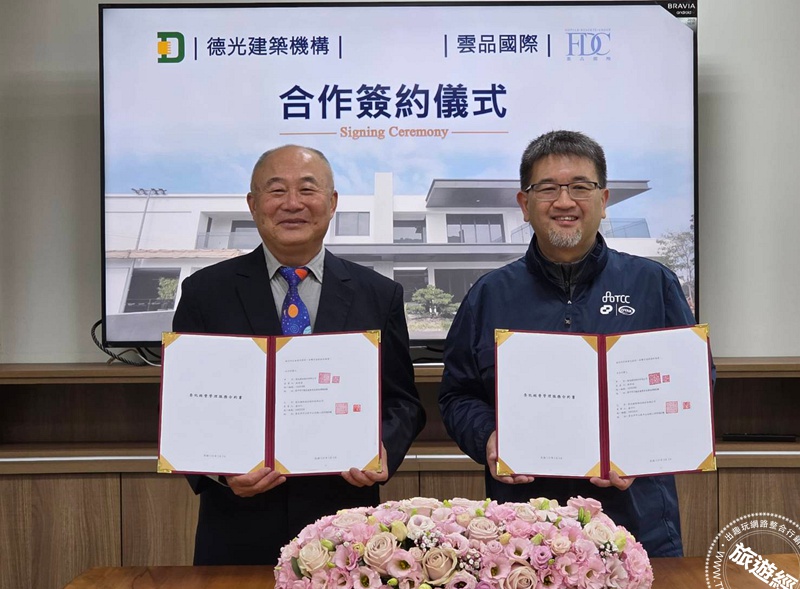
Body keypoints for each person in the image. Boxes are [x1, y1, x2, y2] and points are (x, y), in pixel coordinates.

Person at [438, 130, 705, 558]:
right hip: (521, 538)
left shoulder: (653, 284)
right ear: (524, 204)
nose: (565, 202)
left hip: (637, 529)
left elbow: (695, 383)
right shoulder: (489, 294)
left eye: (580, 187)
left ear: (604, 200)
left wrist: (644, 447)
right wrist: (488, 436)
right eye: (547, 189)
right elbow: (457, 394)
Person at [173, 144, 426, 565]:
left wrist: (383, 446)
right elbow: (183, 406)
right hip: (237, 526)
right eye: (276, 191)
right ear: (253, 204)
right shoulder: (205, 292)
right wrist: (219, 471)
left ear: (332, 202)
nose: (292, 204)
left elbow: (403, 401)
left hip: (346, 526)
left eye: (307, 189)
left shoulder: (379, 294)